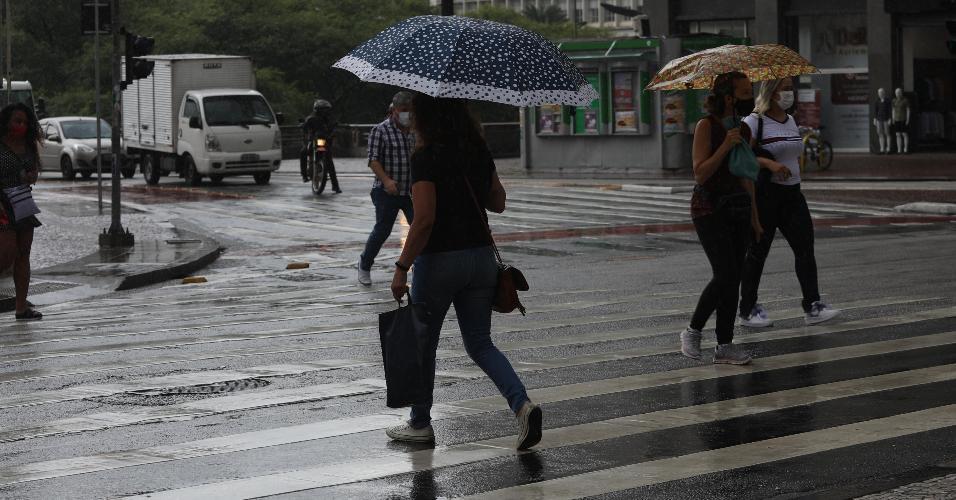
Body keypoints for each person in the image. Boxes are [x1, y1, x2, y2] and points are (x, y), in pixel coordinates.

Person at [387, 94, 542, 450]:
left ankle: (420, 423)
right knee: (481, 343)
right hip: (481, 259)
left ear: (424, 117)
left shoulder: (425, 158)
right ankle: (522, 405)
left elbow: (424, 220)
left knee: (424, 344)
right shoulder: (478, 151)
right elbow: (498, 203)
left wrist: (401, 267)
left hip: (440, 260)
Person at [737, 77, 840, 329]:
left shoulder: (791, 120)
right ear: (772, 93)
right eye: (785, 89)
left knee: (805, 250)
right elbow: (741, 157)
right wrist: (770, 164)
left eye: (791, 88)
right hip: (766, 196)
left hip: (793, 195)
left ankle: (813, 305)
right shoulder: (753, 122)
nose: (790, 93)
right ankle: (747, 309)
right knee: (757, 253)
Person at [679, 71, 761, 365]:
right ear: (728, 97)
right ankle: (693, 330)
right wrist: (725, 144)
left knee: (734, 277)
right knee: (725, 273)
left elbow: (746, 177)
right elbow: (700, 172)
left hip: (738, 208)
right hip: (708, 208)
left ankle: (724, 345)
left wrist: (755, 218)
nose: (749, 97)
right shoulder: (707, 126)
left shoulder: (745, 130)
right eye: (744, 91)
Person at [358, 91, 415, 286]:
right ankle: (365, 264)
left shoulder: (414, 131)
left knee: (419, 228)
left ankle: (423, 266)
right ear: (394, 110)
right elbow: (373, 160)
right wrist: (387, 180)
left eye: (411, 111)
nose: (408, 115)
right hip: (386, 191)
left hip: (411, 191)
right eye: (404, 110)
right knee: (382, 230)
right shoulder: (380, 130)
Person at [0, 103, 43, 320]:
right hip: (2, 203)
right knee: (6, 254)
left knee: (23, 254)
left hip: (23, 202)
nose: (22, 126)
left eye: (25, 122)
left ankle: (21, 307)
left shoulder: (28, 145)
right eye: (18, 121)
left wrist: (30, 176)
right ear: (7, 121)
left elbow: (35, 171)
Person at [299, 99, 341, 192]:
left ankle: (335, 186)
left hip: (321, 142)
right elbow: (304, 127)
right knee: (303, 152)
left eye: (326, 110)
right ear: (317, 109)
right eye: (323, 109)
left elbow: (335, 128)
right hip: (316, 142)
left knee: (329, 161)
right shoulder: (311, 119)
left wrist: (333, 133)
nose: (325, 112)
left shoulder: (329, 120)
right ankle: (304, 175)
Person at [873, 88, 892, 154]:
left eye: (881, 92)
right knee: (880, 134)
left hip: (886, 119)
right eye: (879, 93)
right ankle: (882, 149)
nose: (880, 94)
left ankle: (888, 149)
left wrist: (890, 118)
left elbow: (890, 110)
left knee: (887, 134)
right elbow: (875, 111)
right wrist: (875, 119)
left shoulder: (887, 100)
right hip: (879, 119)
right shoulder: (877, 101)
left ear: (884, 93)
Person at [892, 88, 911, 154]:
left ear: (901, 93)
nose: (898, 94)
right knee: (897, 134)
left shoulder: (905, 100)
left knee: (904, 134)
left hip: (903, 119)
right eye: (896, 93)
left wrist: (908, 119)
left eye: (899, 92)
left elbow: (908, 110)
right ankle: (899, 149)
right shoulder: (894, 100)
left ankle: (905, 149)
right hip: (897, 119)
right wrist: (893, 118)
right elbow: (893, 110)